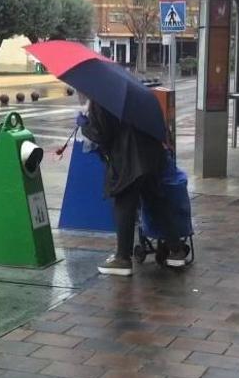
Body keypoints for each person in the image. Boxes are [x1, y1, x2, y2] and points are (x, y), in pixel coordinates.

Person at [77, 103, 186, 275]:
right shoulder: (132, 95)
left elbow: (101, 134)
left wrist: (84, 124)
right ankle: (176, 250)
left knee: (124, 205)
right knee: (156, 202)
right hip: (152, 155)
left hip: (129, 159)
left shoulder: (102, 99)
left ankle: (122, 258)